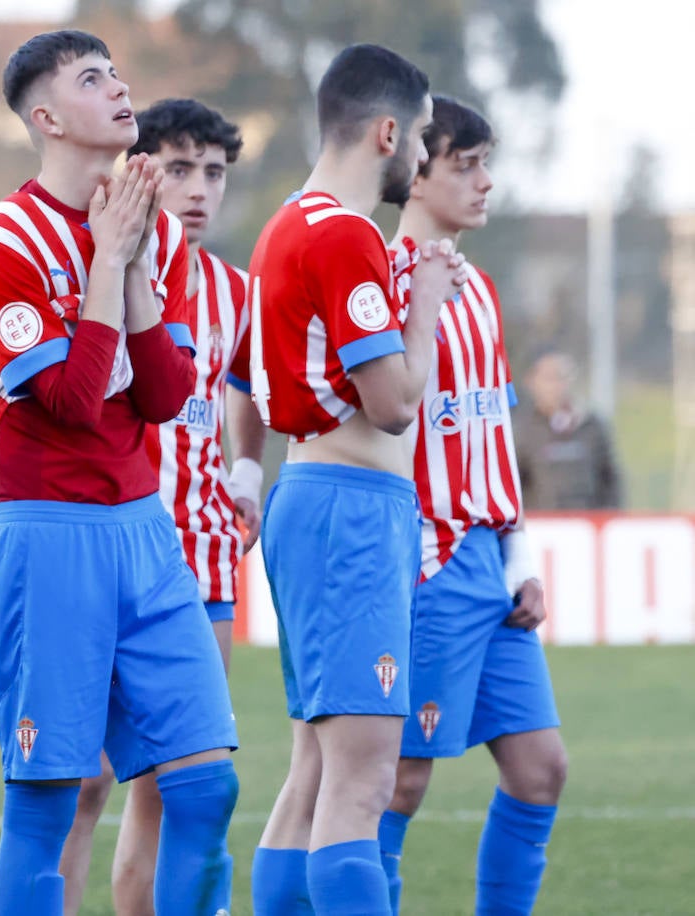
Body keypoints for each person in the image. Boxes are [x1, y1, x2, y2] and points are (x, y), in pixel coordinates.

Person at [0, 30, 239, 916]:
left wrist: (139, 263)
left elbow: (163, 394)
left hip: (147, 533)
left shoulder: (148, 223)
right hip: (52, 537)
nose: (119, 89)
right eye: (91, 79)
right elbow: (74, 401)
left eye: (116, 73)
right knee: (51, 799)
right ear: (46, 117)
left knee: (204, 784)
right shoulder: (0, 242)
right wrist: (108, 264)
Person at [245, 44, 465, 915]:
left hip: (309, 498)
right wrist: (425, 309)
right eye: (418, 140)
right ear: (385, 130)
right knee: (362, 783)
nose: (420, 160)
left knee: (312, 775)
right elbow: (394, 404)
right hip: (349, 509)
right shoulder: (344, 235)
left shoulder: (283, 225)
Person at [379, 96, 567, 916]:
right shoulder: (381, 283)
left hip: (490, 564)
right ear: (414, 175)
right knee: (395, 782)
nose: (487, 182)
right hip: (425, 562)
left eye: (488, 163)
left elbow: (490, 434)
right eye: (466, 165)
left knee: (540, 768)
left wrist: (519, 559)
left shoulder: (479, 287)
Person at [514, 348, 622, 510]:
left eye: (563, 377)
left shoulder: (591, 425)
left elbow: (610, 479)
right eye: (550, 378)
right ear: (531, 382)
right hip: (541, 529)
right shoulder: (522, 430)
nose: (558, 385)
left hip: (588, 526)